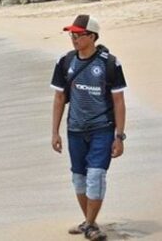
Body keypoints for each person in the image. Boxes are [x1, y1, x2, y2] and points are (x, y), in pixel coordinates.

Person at [50, 14, 127, 241]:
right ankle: (89, 223)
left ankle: (90, 224)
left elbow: (119, 102)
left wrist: (119, 136)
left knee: (96, 176)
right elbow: (58, 99)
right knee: (79, 178)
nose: (73, 38)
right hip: (74, 130)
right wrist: (54, 132)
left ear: (92, 36)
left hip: (102, 129)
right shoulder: (65, 62)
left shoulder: (109, 64)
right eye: (71, 34)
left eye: (79, 34)